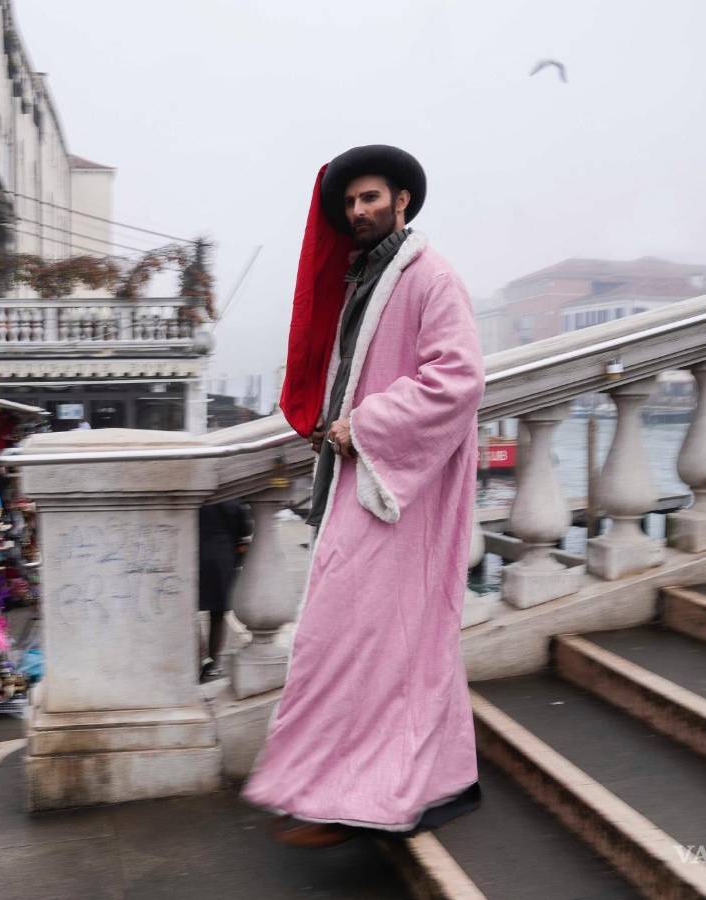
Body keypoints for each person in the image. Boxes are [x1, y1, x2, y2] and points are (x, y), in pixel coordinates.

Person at [242, 146, 486, 846]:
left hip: (399, 485)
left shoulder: (431, 275)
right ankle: (428, 784)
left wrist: (365, 425)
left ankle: (347, 797)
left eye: (370, 197)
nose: (358, 210)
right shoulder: (366, 277)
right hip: (371, 474)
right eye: (351, 202)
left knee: (349, 636)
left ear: (402, 200)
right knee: (398, 637)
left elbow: (459, 377)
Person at [198, 500, 253, 681]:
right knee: (218, 614)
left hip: (194, 559)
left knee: (186, 614)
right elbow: (243, 535)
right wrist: (236, 561)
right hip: (223, 561)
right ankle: (213, 662)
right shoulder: (233, 501)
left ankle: (202, 656)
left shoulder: (198, 499)